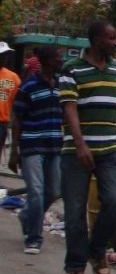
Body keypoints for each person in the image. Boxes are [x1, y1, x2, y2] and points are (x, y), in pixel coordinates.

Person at [58, 21, 116, 274]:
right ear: (96, 40)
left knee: (114, 203)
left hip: (110, 150)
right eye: (111, 38)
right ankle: (74, 266)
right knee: (75, 210)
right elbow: (69, 108)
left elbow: (113, 105)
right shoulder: (71, 70)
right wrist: (80, 144)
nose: (115, 42)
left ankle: (97, 251)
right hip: (76, 152)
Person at [10, 46, 64, 254]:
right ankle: (33, 238)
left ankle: (26, 216)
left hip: (54, 146)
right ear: (47, 60)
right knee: (36, 192)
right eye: (58, 56)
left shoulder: (61, 85)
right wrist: (14, 151)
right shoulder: (29, 86)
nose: (61, 60)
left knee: (53, 192)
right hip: (31, 145)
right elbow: (17, 120)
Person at [0, 41, 22, 169]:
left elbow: (19, 101)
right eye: (2, 55)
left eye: (6, 55)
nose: (4, 58)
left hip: (2, 123)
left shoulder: (13, 77)